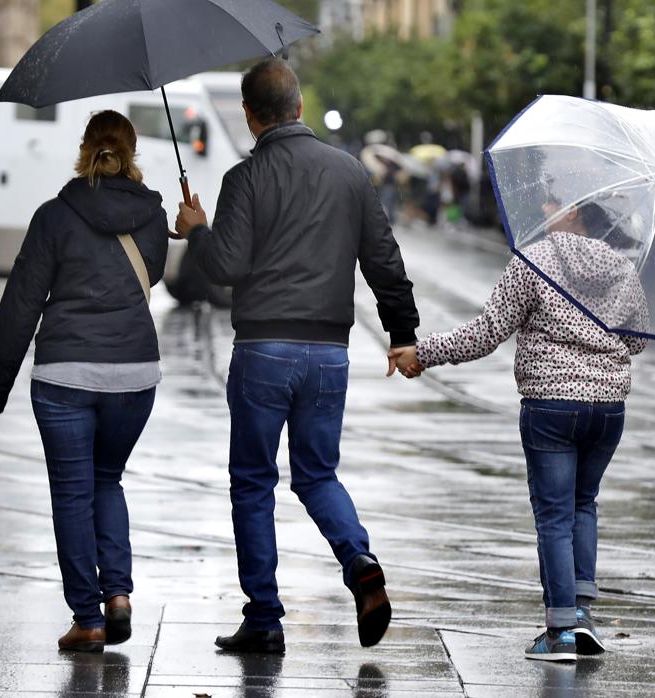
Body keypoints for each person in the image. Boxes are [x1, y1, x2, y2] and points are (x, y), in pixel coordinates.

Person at [173, 57, 419, 654]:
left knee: (253, 482)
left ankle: (263, 618)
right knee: (317, 474)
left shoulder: (244, 179)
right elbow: (383, 260)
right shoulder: (350, 173)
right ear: (301, 108)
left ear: (249, 115)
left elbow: (226, 267)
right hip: (330, 353)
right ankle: (358, 557)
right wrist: (402, 333)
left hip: (263, 350)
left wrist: (196, 230)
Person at [391, 199, 647, 664]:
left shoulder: (535, 260)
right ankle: (583, 617)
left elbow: (488, 332)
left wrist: (422, 353)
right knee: (582, 503)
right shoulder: (621, 268)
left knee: (553, 514)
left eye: (554, 199)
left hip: (551, 403)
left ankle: (560, 632)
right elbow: (636, 339)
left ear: (575, 212)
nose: (545, 205)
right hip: (608, 408)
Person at [0, 110, 168, 652]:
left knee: (73, 492)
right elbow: (151, 275)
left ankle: (89, 617)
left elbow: (23, 301)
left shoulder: (54, 216)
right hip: (134, 372)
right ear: (133, 152)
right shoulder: (153, 216)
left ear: (84, 150)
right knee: (108, 480)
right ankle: (120, 595)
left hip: (64, 374)